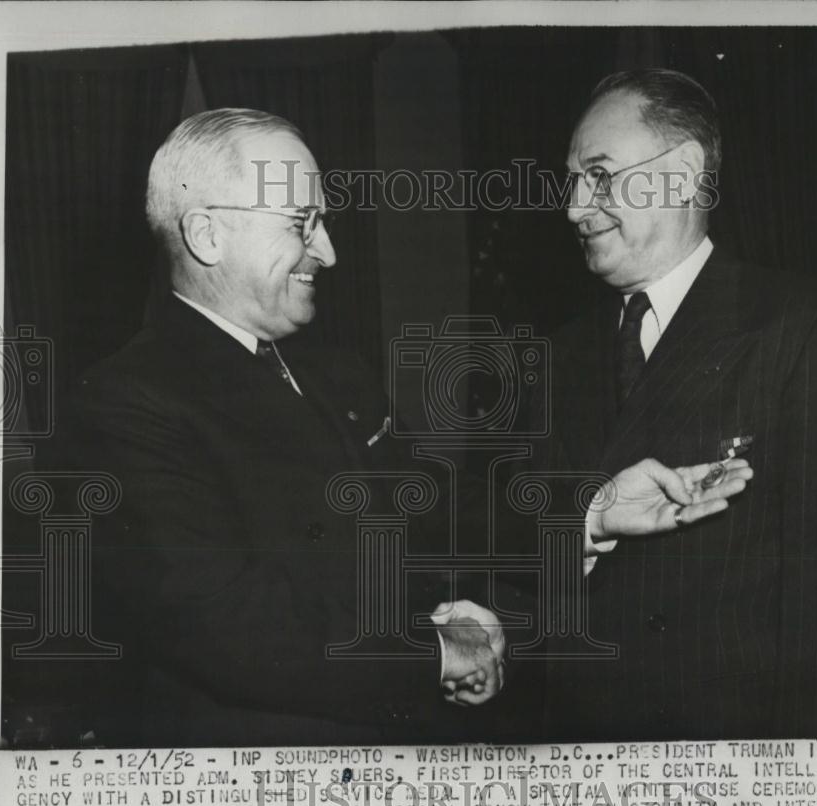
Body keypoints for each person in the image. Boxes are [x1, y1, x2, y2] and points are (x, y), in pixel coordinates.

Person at [67, 108, 750, 747]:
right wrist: (438, 653)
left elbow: (429, 509)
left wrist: (591, 513)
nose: (328, 252)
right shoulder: (126, 401)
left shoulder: (336, 373)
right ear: (207, 235)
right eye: (301, 223)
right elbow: (227, 627)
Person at [533, 69, 817, 741]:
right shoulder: (559, 353)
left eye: (600, 174)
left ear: (681, 173)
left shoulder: (808, 324)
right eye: (573, 181)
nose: (574, 207)